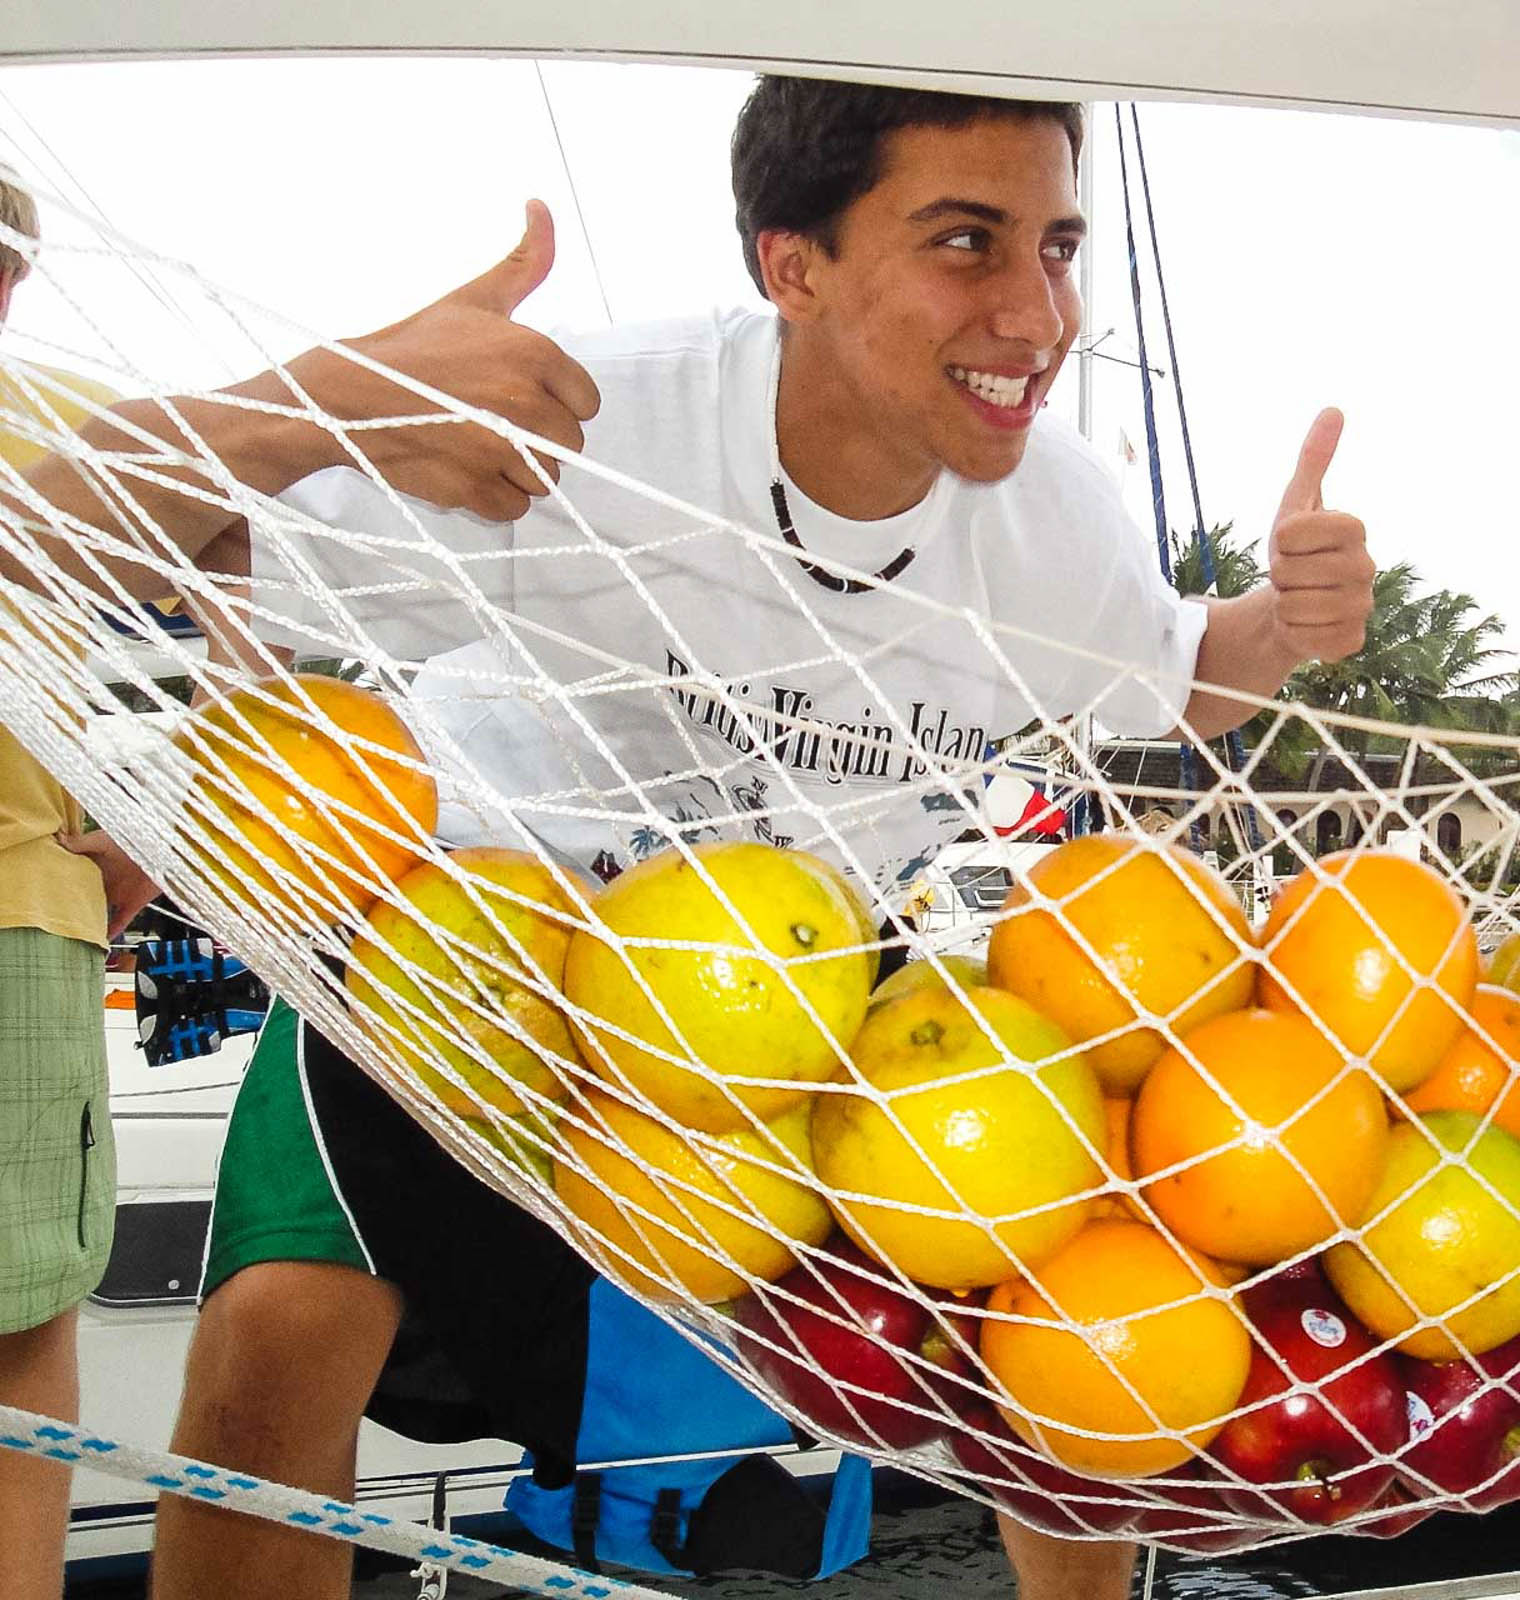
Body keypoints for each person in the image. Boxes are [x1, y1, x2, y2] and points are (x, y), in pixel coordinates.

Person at [3, 80, 1375, 1598]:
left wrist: (1286, 622)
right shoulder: (576, 423)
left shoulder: (1058, 522)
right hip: (480, 963)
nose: (1037, 312)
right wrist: (337, 387)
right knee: (271, 1365)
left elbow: (1186, 686)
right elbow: (54, 548)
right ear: (793, 264)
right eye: (966, 243)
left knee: (1049, 1359)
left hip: (808, 1018)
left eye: (1058, 246)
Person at [0, 167, 159, 1600]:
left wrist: (148, 822)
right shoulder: (60, 426)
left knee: (21, 1305)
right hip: (20, 923)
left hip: (16, 920)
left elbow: (240, 600)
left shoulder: (63, 426)